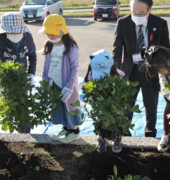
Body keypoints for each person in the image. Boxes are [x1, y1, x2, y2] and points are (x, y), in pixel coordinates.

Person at [113, 0, 170, 139]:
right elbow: (117, 49)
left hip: (150, 72)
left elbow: (166, 49)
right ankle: (125, 133)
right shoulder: (123, 23)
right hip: (130, 71)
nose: (137, 15)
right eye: (134, 12)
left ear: (149, 10)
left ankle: (150, 133)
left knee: (151, 106)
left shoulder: (160, 23)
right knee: (127, 106)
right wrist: (116, 71)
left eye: (141, 13)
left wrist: (156, 58)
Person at [39, 14, 82, 143]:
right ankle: (65, 129)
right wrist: (44, 82)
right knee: (59, 107)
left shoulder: (70, 47)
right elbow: (46, 67)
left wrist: (69, 87)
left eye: (52, 34)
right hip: (54, 83)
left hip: (67, 84)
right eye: (48, 34)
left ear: (61, 31)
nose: (49, 37)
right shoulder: (49, 45)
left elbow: (75, 69)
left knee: (71, 108)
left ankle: (74, 131)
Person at [0, 13, 37, 133]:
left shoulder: (27, 37)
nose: (15, 35)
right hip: (5, 78)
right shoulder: (1, 40)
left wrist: (30, 74)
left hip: (22, 78)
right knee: (9, 105)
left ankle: (25, 132)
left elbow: (32, 57)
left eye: (17, 32)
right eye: (11, 33)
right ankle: (13, 130)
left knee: (23, 104)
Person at [84, 49, 125, 153]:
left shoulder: (118, 76)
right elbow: (87, 90)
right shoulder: (90, 75)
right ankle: (101, 138)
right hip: (98, 103)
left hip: (113, 103)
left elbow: (122, 96)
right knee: (99, 119)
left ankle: (117, 138)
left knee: (116, 117)